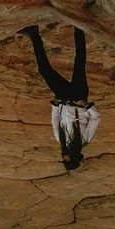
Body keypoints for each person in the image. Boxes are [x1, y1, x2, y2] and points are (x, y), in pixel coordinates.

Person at [20, 23, 100, 170]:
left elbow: (55, 119)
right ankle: (78, 27)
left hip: (64, 98)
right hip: (79, 97)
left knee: (45, 70)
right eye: (66, 160)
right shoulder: (84, 139)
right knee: (79, 61)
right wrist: (86, 105)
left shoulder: (60, 139)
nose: (63, 157)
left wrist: (55, 105)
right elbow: (96, 118)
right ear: (73, 157)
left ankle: (34, 34)